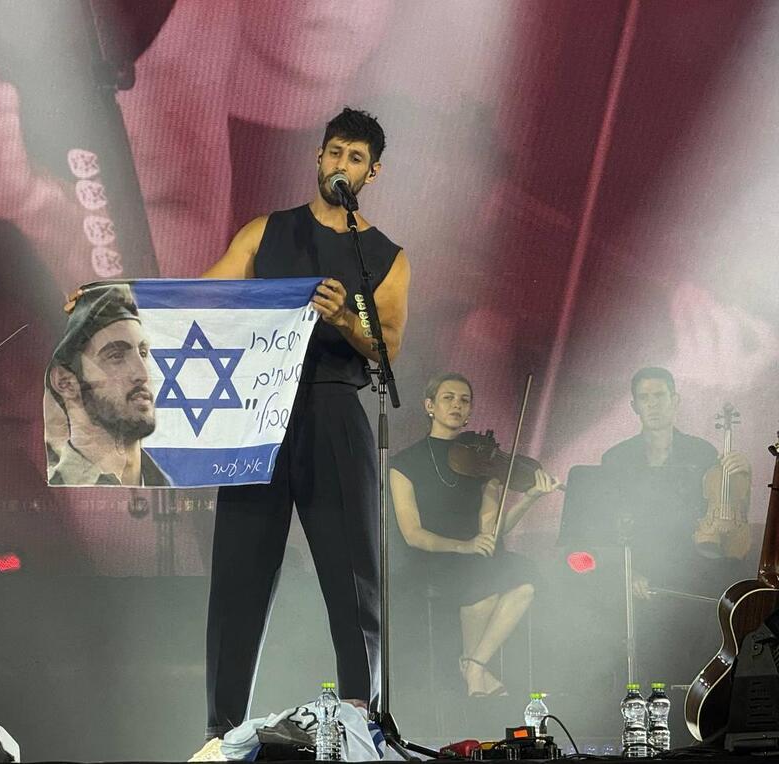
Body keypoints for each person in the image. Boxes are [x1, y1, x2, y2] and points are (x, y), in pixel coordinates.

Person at [197, 107, 410, 743]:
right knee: (238, 578)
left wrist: (346, 318)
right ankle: (222, 734)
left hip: (335, 412)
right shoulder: (265, 232)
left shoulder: (386, 257)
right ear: (318, 158)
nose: (340, 164)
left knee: (353, 585)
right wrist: (113, 300)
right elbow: (203, 296)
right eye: (333, 151)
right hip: (257, 415)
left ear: (371, 172)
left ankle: (361, 727)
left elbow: (388, 344)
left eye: (354, 157)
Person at [389, 373, 559, 697]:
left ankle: (473, 665)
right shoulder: (404, 464)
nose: (457, 404)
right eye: (448, 398)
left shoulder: (483, 461)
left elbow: (493, 530)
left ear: (470, 413)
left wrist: (531, 498)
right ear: (430, 406)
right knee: (482, 573)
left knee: (525, 581)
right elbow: (412, 534)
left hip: (476, 552)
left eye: (464, 400)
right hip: (432, 556)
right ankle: (476, 672)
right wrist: (463, 546)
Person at [597, 366, 752, 682]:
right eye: (644, 398)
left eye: (659, 396)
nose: (652, 404)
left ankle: (715, 689)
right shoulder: (616, 459)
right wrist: (628, 572)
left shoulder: (702, 451)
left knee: (734, 586)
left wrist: (741, 476)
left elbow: (726, 515)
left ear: (675, 400)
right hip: (641, 562)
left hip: (694, 561)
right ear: (634, 406)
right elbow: (606, 527)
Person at [46, 284, 168, 487]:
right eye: (116, 356)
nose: (143, 374)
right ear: (65, 382)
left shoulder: (179, 491)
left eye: (143, 354)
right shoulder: (44, 492)